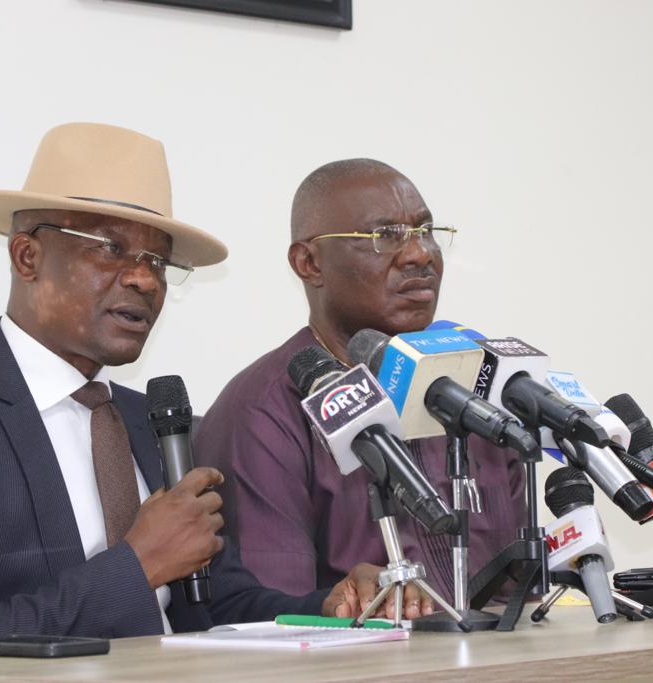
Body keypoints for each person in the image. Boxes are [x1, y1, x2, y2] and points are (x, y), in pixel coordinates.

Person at [0, 125, 429, 660]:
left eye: (157, 261)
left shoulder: (152, 421)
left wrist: (331, 606)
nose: (145, 279)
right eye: (109, 248)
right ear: (27, 256)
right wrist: (138, 565)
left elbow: (220, 607)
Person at [194, 159, 528, 601]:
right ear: (309, 263)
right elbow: (274, 616)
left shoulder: (474, 393)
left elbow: (520, 591)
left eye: (426, 231)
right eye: (385, 235)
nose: (420, 254)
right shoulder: (265, 410)